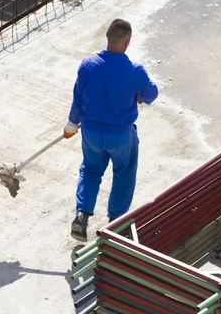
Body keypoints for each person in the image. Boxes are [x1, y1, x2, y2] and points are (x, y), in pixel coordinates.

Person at [64, 19, 159, 241]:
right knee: (124, 174)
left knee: (90, 170)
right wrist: (138, 94)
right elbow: (151, 95)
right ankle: (115, 224)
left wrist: (71, 124)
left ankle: (81, 216)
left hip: (91, 133)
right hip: (121, 135)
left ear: (107, 36)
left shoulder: (88, 65)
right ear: (128, 42)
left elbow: (77, 97)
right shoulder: (135, 70)